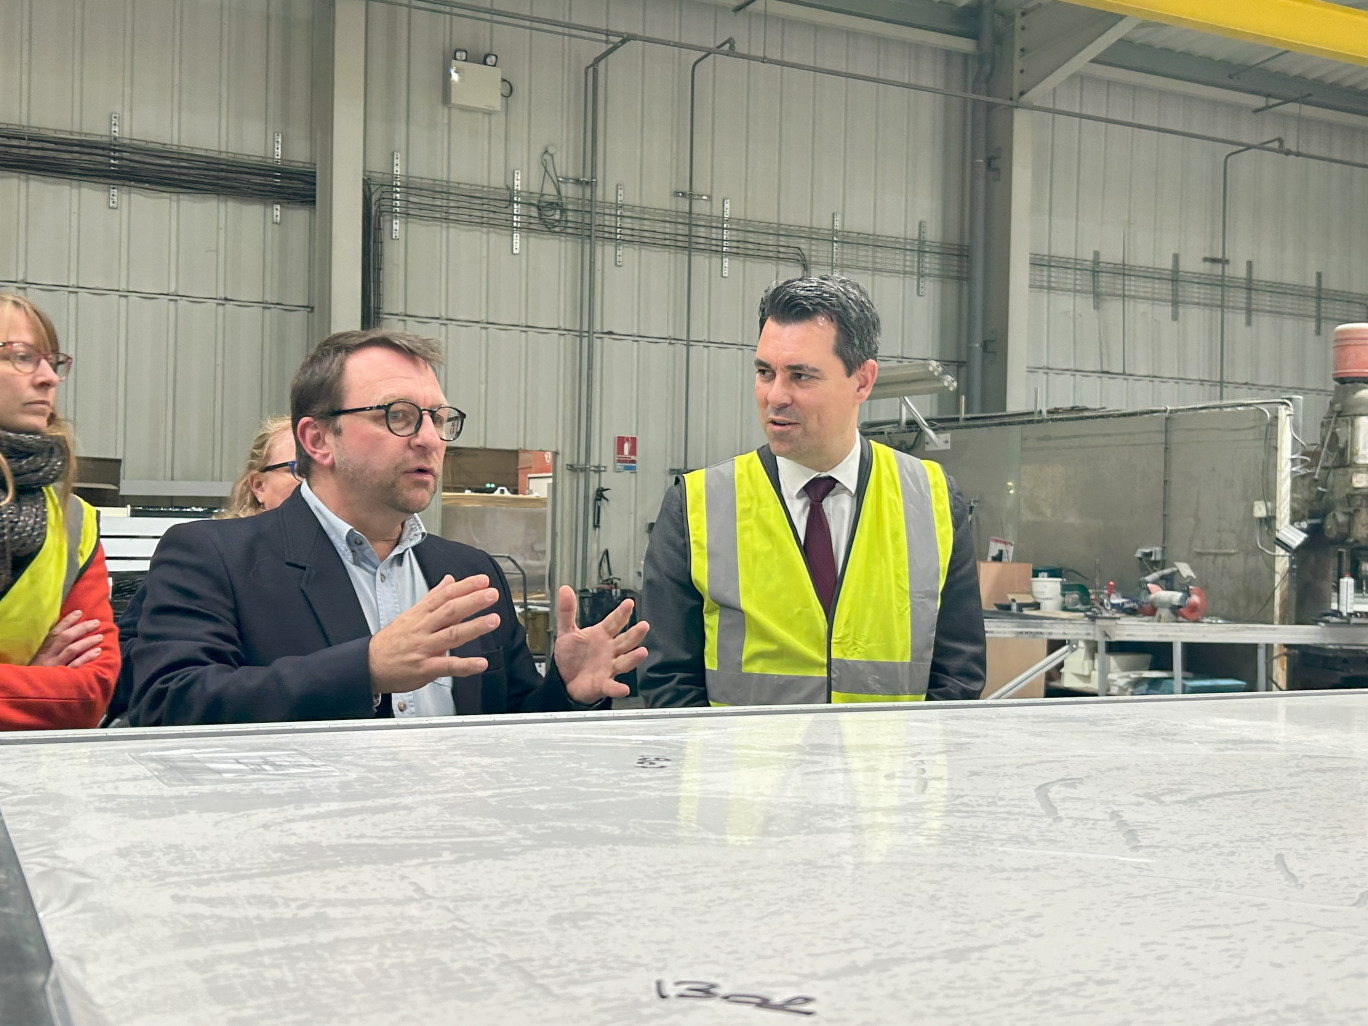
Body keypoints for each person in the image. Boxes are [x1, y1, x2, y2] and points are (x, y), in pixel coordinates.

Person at [124, 329, 648, 725]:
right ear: (317, 440)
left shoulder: (467, 574)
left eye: (438, 419)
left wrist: (566, 691)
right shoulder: (215, 557)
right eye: (398, 415)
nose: (428, 439)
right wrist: (364, 669)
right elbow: (169, 705)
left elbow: (506, 729)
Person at [640, 275, 984, 707]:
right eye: (765, 372)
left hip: (887, 773)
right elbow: (668, 678)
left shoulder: (930, 499)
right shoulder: (696, 504)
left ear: (862, 381)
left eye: (801, 376)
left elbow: (958, 671)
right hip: (741, 773)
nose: (775, 396)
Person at [102, 417, 301, 725]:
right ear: (259, 486)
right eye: (299, 470)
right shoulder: (204, 557)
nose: (316, 484)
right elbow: (133, 665)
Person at [0, 293, 118, 729]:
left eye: (52, 361)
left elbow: (89, 693)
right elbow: (60, 696)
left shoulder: (73, 521)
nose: (49, 378)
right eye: (22, 357)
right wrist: (38, 682)